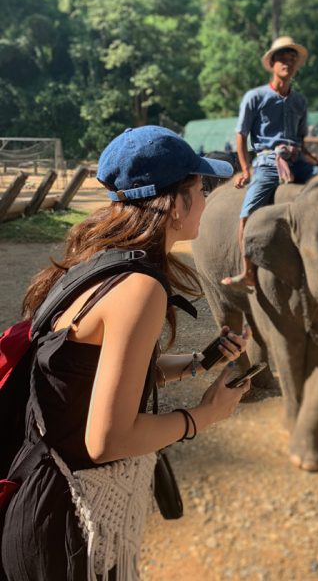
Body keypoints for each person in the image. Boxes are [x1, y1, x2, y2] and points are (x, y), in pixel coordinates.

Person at [0, 125, 251, 580]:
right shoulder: (139, 288)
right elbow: (107, 441)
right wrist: (204, 416)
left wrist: (198, 363)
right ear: (175, 203)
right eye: (200, 187)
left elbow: (93, 377)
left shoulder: (97, 260)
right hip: (67, 526)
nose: (207, 198)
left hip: (42, 496)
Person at [222, 36, 318, 287]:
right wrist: (245, 169)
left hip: (297, 159)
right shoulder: (255, 97)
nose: (288, 64)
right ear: (272, 64)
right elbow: (241, 134)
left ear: (296, 66)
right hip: (268, 161)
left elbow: (301, 139)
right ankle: (246, 270)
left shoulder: (300, 101)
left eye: (292, 60)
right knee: (247, 213)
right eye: (282, 59)